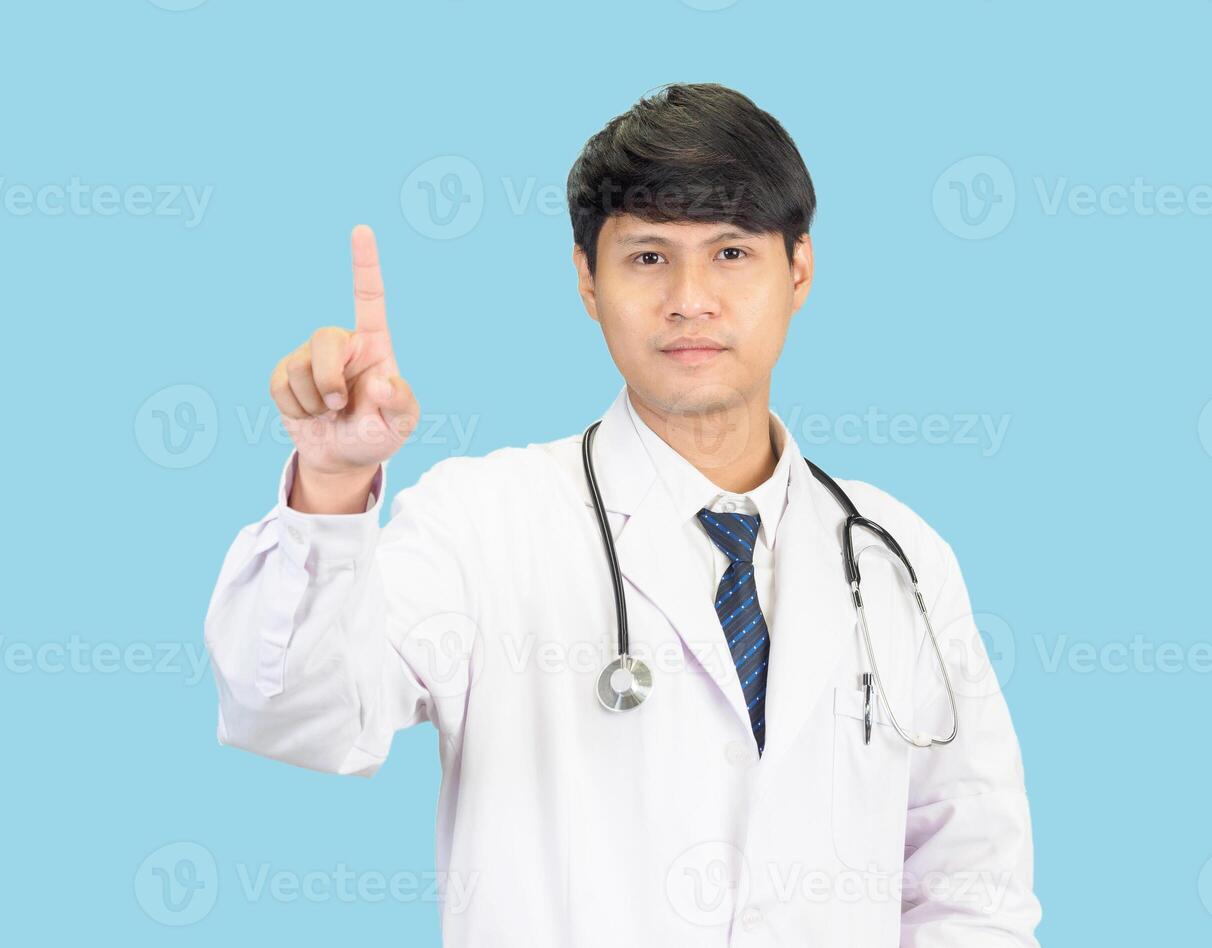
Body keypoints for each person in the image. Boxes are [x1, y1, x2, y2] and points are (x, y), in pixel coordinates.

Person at [204, 82, 1041, 946]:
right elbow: (299, 715)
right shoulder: (482, 523)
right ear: (586, 282)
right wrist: (333, 484)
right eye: (647, 258)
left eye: (730, 254)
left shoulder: (898, 555)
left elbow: (970, 881)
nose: (689, 299)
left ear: (799, 270)